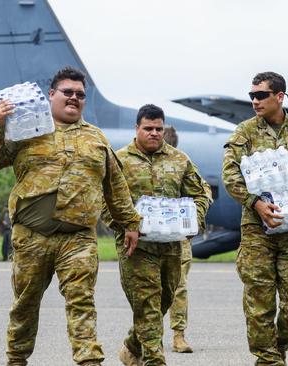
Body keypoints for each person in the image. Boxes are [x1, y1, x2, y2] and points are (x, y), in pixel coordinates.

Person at [0, 66, 141, 366]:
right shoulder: (27, 127)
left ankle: (89, 361)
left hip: (77, 239)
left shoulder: (97, 138)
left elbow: (115, 186)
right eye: (67, 92)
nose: (74, 98)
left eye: (80, 94)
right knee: (25, 305)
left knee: (82, 302)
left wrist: (129, 223)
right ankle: (16, 360)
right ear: (51, 94)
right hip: (31, 237)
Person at [221, 72, 288, 365]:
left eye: (260, 95)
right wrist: (255, 203)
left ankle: (279, 343)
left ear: (279, 97)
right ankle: (268, 358)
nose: (254, 101)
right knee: (260, 301)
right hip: (257, 230)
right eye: (251, 96)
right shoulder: (244, 132)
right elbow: (230, 175)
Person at [104, 104, 211, 366]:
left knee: (163, 300)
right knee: (147, 305)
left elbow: (202, 192)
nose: (154, 133)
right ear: (137, 129)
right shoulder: (119, 161)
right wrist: (125, 225)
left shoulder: (179, 159)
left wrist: (193, 219)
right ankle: (154, 360)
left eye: (158, 129)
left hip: (171, 247)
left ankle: (131, 345)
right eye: (148, 128)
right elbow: (104, 201)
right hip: (136, 248)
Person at [162, 125, 206, 354]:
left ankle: (178, 335)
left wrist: (193, 220)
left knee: (178, 287)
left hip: (178, 238)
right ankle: (149, 335)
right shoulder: (134, 162)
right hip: (149, 239)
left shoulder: (183, 163)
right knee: (149, 289)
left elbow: (202, 191)